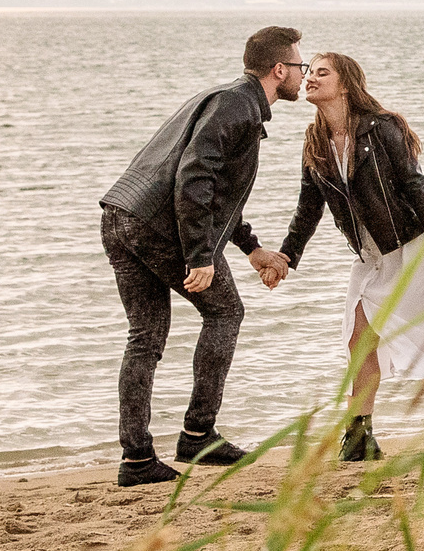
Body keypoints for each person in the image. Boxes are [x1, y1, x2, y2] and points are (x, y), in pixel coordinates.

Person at [99, 26, 302, 486]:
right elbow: (193, 179)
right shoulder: (239, 106)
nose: (300, 75)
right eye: (299, 67)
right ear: (278, 70)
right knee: (226, 312)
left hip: (120, 213)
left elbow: (215, 192)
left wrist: (250, 248)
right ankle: (197, 435)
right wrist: (199, 256)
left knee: (145, 336)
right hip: (156, 224)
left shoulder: (222, 97)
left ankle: (136, 459)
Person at [278, 52, 424, 461]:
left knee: (421, 337)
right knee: (360, 341)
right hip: (370, 258)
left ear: (345, 84)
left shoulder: (383, 128)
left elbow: (415, 187)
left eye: (322, 73)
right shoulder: (314, 141)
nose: (310, 78)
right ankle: (370, 435)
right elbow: (308, 209)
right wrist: (287, 257)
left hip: (410, 249)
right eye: (310, 72)